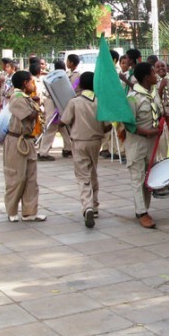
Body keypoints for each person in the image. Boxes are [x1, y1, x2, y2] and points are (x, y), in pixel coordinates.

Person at [60, 72, 111, 228]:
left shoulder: (75, 102)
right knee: (93, 171)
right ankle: (94, 205)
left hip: (79, 141)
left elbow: (63, 121)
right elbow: (107, 125)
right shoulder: (100, 101)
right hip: (96, 141)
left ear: (80, 85)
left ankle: (87, 206)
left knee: (82, 175)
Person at [3, 71, 46, 222]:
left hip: (28, 140)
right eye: (31, 82)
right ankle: (12, 210)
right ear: (24, 83)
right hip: (16, 141)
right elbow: (30, 115)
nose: (33, 85)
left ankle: (29, 212)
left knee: (31, 179)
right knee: (17, 177)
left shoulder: (25, 98)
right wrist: (37, 104)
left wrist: (35, 102)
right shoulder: (16, 97)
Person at [125, 63, 162, 229]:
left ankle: (143, 208)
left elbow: (158, 112)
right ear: (147, 77)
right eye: (153, 72)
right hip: (137, 142)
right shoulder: (132, 97)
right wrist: (148, 132)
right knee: (137, 177)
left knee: (149, 177)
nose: (156, 75)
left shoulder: (153, 94)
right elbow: (129, 124)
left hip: (152, 143)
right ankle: (142, 212)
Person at [38, 60, 71, 161]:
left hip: (52, 102)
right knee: (51, 127)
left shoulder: (49, 76)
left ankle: (68, 148)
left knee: (63, 127)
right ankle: (43, 152)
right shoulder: (61, 77)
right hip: (55, 103)